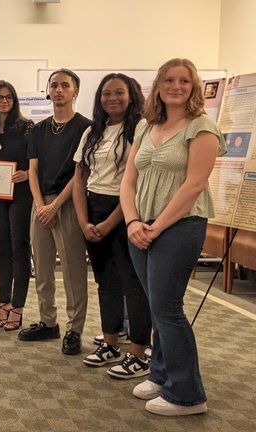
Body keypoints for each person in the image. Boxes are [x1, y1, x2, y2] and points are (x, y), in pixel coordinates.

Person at [120, 58, 225, 416]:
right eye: (168, 80)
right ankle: (162, 374)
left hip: (180, 226)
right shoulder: (146, 126)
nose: (175, 86)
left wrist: (156, 226)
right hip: (142, 225)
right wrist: (133, 221)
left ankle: (188, 394)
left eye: (183, 80)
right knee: (157, 306)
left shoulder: (202, 126)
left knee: (167, 309)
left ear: (193, 86)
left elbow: (195, 184)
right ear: (159, 85)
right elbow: (128, 180)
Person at [72, 73, 153, 377]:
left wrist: (108, 223)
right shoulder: (93, 131)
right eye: (106, 93)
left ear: (131, 95)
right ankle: (110, 344)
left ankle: (139, 352)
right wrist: (84, 221)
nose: (112, 98)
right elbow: (80, 178)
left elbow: (134, 182)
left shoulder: (141, 129)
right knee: (106, 281)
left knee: (133, 284)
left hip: (125, 211)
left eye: (119, 93)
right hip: (93, 208)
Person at [18, 69, 91, 356]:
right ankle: (49, 321)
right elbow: (32, 170)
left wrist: (55, 205)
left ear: (75, 91)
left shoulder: (86, 128)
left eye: (65, 85)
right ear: (48, 91)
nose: (59, 90)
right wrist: (39, 204)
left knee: (73, 270)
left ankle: (75, 329)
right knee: (43, 268)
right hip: (41, 204)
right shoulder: (38, 129)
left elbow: (80, 172)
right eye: (54, 86)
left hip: (70, 202)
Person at [0, 80, 34, 331]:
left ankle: (18, 307)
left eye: (8, 97)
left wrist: (26, 173)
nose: (4, 101)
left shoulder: (26, 128)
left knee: (19, 248)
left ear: (14, 101)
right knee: (2, 249)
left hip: (21, 194)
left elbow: (37, 162)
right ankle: (3, 306)